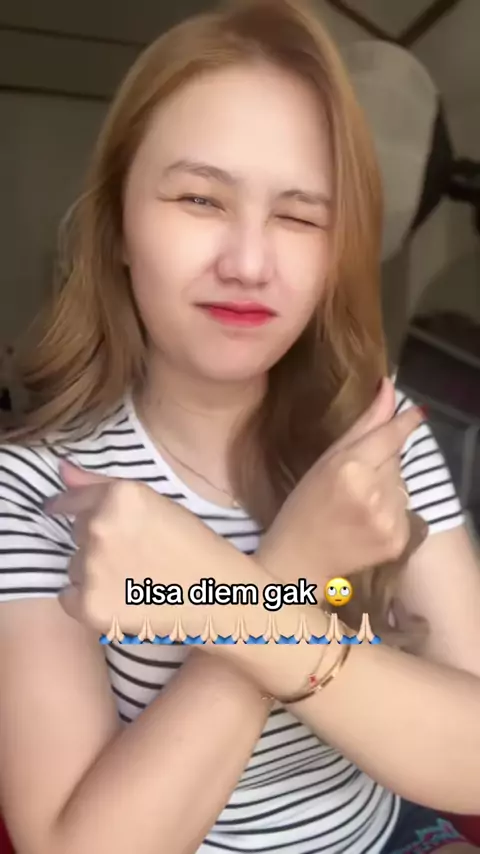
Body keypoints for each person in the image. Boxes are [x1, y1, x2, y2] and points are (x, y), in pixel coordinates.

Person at [0, 1, 479, 852]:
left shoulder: (376, 435)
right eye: (200, 198)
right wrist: (291, 570)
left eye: (299, 215)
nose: (250, 263)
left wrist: (224, 599)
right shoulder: (32, 489)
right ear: (117, 225)